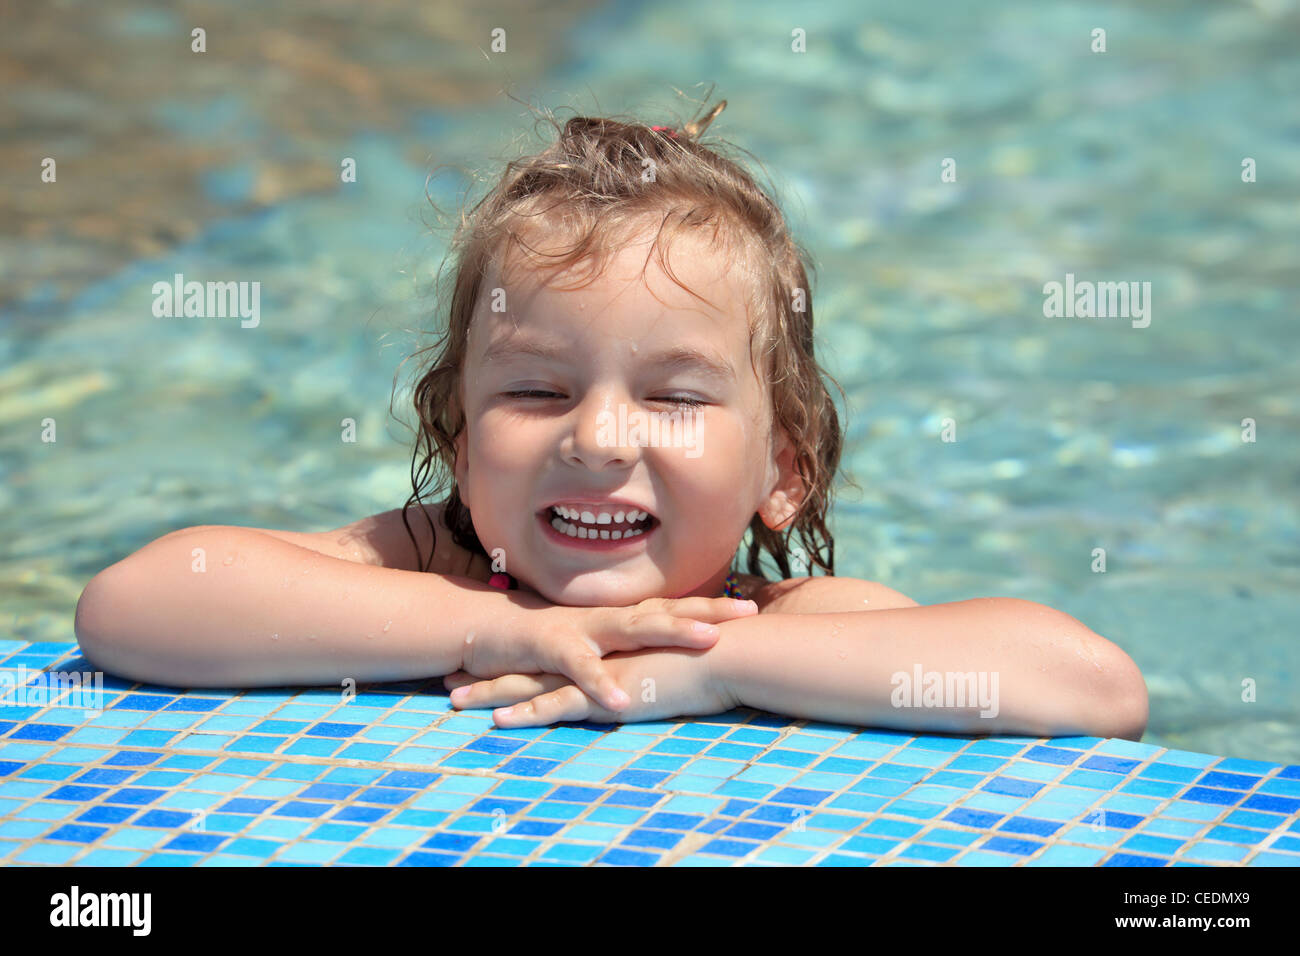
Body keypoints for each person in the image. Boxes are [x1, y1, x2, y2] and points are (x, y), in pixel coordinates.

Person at [74, 100, 1147, 741]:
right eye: (536, 391)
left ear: (783, 471)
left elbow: (1089, 684)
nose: (595, 437)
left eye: (674, 396)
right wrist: (498, 627)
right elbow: (131, 605)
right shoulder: (427, 563)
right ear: (458, 440)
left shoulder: (762, 619)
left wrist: (714, 672)